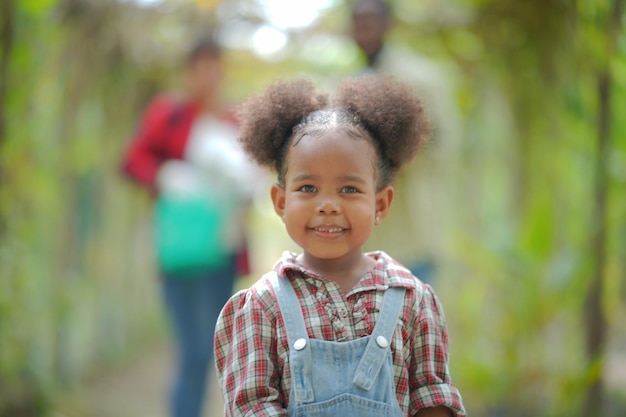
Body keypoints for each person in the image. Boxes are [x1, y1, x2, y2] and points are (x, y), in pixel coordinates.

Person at [214, 75, 466, 417]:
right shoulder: (262, 307)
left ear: (380, 205)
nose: (328, 205)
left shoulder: (413, 300)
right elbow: (252, 406)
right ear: (280, 201)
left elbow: (433, 398)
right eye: (307, 188)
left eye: (349, 189)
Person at [122, 37, 254, 417]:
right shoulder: (170, 116)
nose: (208, 76)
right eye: (201, 67)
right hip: (179, 247)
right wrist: (163, 174)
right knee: (192, 347)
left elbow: (251, 181)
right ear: (189, 71)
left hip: (222, 247)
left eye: (215, 66)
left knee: (211, 347)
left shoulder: (234, 122)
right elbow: (132, 160)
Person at [351, 0, 461, 283]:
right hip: (367, 238)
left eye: (370, 21)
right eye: (357, 21)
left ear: (387, 25)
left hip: (415, 229)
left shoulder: (422, 78)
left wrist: (397, 151)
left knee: (413, 320)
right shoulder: (349, 82)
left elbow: (444, 142)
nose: (364, 30)